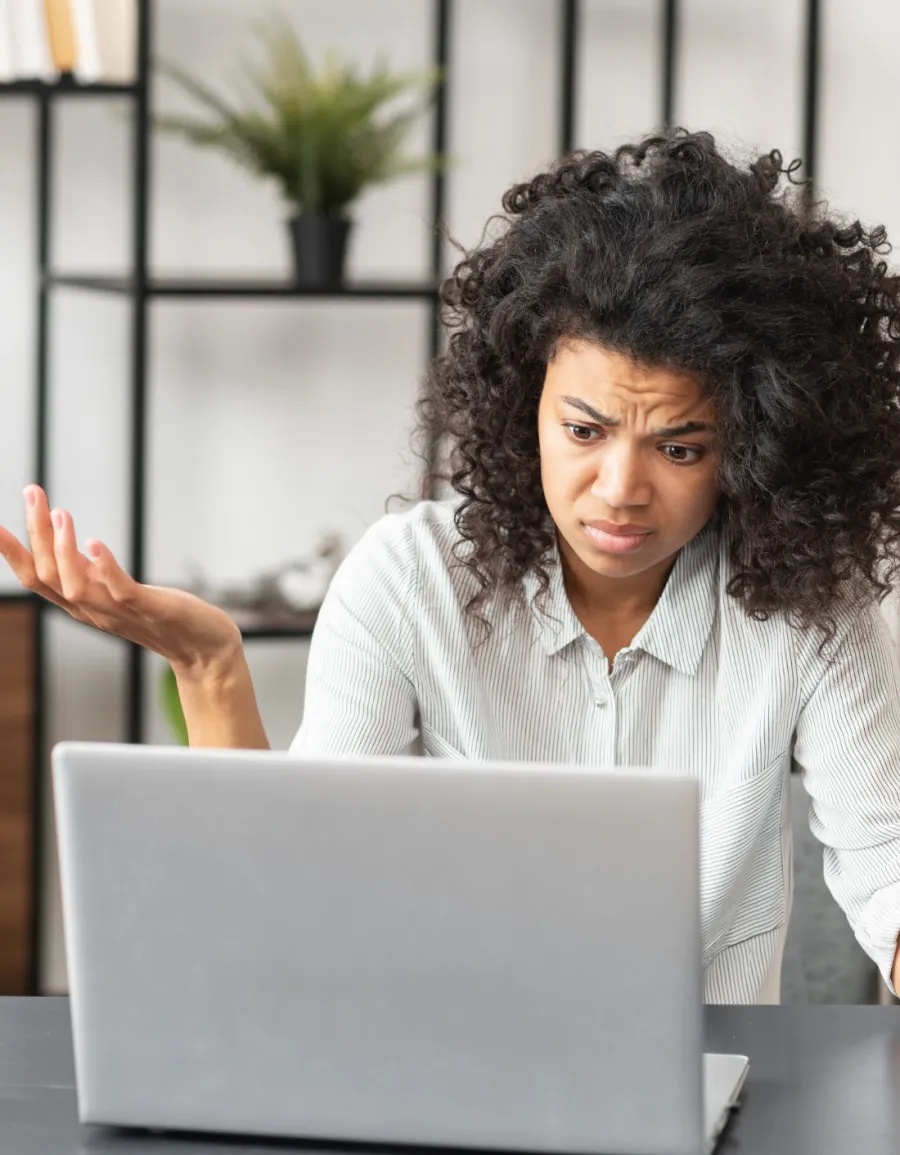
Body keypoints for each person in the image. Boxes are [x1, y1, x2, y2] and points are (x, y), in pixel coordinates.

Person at [5, 129, 900, 1004]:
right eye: (584, 431)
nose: (620, 488)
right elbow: (288, 908)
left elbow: (887, 873)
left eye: (679, 445)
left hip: (715, 1094)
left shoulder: (812, 608)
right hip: (437, 1086)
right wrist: (209, 665)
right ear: (525, 408)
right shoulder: (411, 580)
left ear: (755, 445)